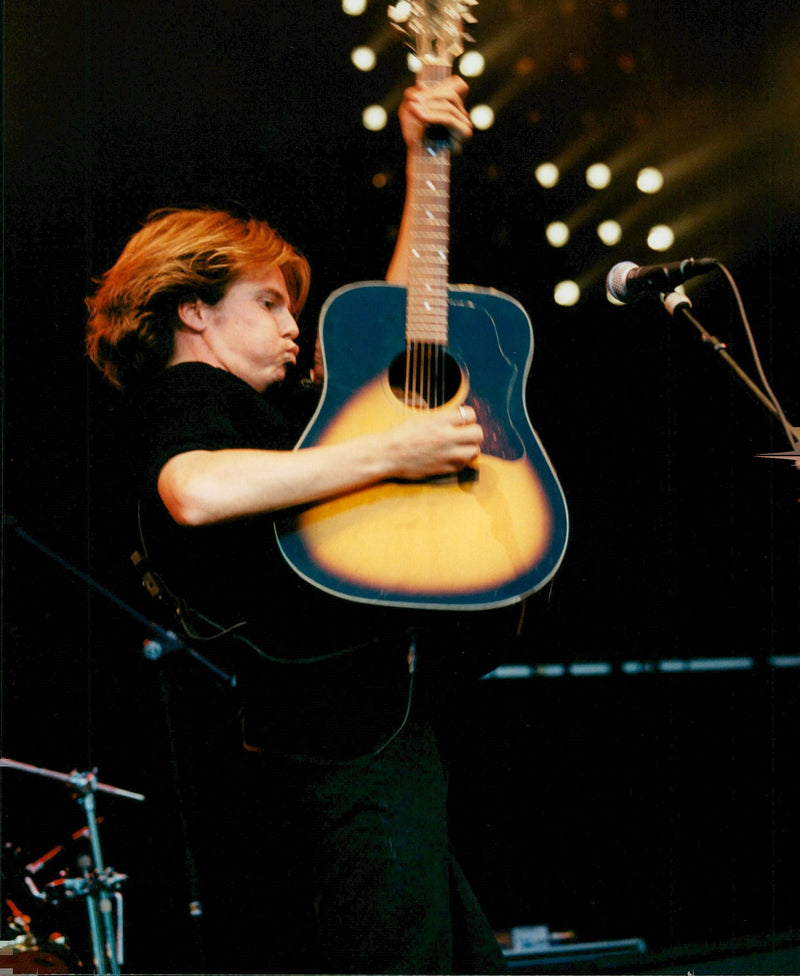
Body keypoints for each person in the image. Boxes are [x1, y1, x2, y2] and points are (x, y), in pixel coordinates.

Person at [86, 76, 513, 974]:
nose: (293, 326)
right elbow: (194, 491)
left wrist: (423, 161)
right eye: (268, 303)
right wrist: (393, 457)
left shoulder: (275, 425)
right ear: (195, 310)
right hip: (347, 743)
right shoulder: (190, 395)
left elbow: (393, 334)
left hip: (369, 725)